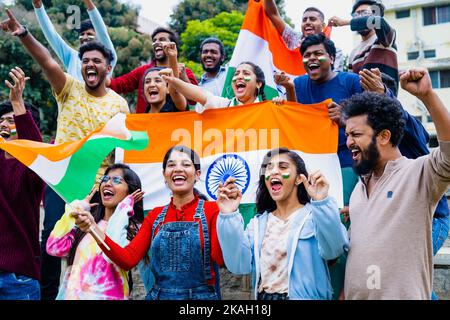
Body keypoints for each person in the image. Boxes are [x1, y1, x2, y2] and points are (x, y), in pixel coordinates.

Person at [0, 9, 130, 300]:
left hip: (97, 191)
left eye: (97, 60)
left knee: (87, 251)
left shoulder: (120, 105)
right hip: (60, 184)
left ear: (108, 68)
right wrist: (23, 34)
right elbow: (46, 61)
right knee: (50, 245)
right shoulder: (68, 89)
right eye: (85, 61)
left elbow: (121, 152)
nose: (90, 65)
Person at [343, 68, 450, 299]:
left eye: (356, 134)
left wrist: (427, 96)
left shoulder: (417, 174)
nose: (349, 142)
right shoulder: (359, 191)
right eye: (347, 135)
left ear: (384, 136)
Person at [74, 146, 225, 300]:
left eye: (185, 164)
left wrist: (227, 216)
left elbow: (220, 259)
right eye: (171, 165)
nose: (178, 169)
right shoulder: (155, 215)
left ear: (197, 174)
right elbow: (127, 259)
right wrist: (92, 228)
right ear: (164, 175)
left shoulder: (212, 210)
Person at [216, 148, 348, 300]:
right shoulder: (257, 225)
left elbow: (333, 250)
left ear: (299, 179)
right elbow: (239, 265)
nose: (273, 172)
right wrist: (228, 215)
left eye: (283, 167)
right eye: (269, 168)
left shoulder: (315, 216)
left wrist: (322, 202)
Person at [46, 164, 144, 300]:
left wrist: (124, 208)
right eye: (105, 179)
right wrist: (75, 209)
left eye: (116, 180)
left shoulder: (135, 228)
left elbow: (112, 254)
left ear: (130, 191)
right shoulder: (87, 222)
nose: (107, 183)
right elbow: (54, 248)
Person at [0, 67, 44, 300]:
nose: (4, 125)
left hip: (18, 279)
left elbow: (35, 151)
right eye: (1, 121)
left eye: (11, 120)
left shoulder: (32, 170)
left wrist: (18, 103)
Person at [107, 27, 198, 113]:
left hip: (174, 128)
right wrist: (99, 76)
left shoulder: (184, 72)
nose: (156, 43)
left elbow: (194, 100)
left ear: (173, 45)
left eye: (162, 40)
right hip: (143, 126)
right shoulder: (143, 71)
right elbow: (118, 84)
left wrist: (183, 77)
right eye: (154, 40)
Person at [32, 0, 117, 80]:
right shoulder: (71, 57)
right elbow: (51, 35)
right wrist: (38, 6)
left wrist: (87, 2)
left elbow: (101, 29)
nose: (84, 37)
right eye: (82, 34)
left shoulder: (108, 56)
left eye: (89, 34)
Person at [328, 0, 398, 95]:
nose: (360, 17)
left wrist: (344, 22)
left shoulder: (385, 38)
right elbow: (352, 84)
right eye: (356, 15)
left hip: (386, 101)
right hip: (362, 105)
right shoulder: (354, 53)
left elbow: (378, 21)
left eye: (365, 13)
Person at [263, 0, 344, 72]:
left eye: (312, 19)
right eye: (304, 20)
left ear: (323, 26)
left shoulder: (336, 51)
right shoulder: (293, 38)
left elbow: (335, 79)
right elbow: (273, 14)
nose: (307, 22)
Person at [162, 61, 267, 114]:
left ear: (258, 83)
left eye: (246, 73)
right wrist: (173, 81)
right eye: (236, 74)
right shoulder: (223, 105)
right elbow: (199, 94)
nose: (239, 77)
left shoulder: (268, 110)